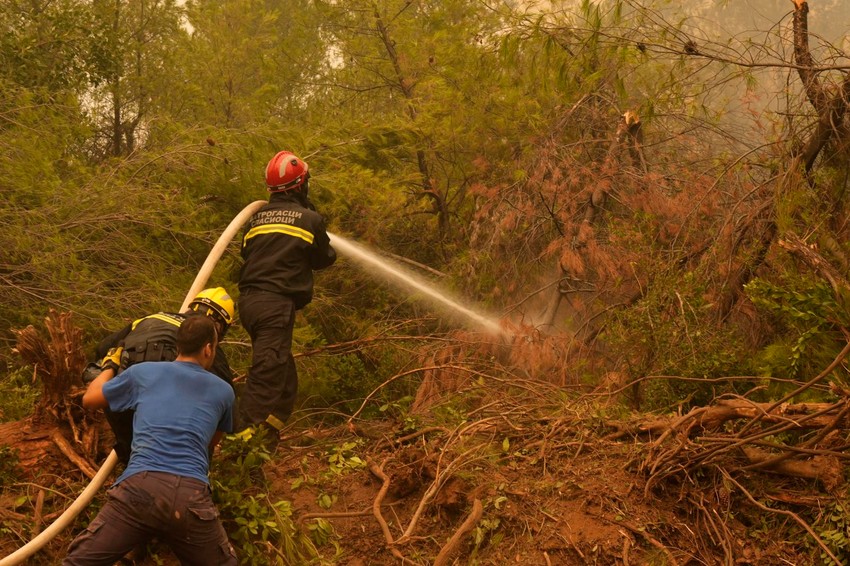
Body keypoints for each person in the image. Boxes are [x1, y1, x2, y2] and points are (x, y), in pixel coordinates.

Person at [64, 315, 237, 565]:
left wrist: (110, 365)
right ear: (209, 348)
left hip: (139, 489)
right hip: (191, 497)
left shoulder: (142, 373)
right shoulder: (224, 391)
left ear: (179, 345)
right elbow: (211, 442)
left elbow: (90, 399)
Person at [237, 150, 336, 441]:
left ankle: (263, 448)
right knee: (265, 380)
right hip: (274, 306)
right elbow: (324, 258)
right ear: (301, 185)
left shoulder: (255, 220)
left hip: (251, 305)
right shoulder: (310, 219)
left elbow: (247, 253)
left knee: (284, 385)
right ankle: (236, 453)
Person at [84, 287, 236, 464]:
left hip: (120, 391)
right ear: (220, 327)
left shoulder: (150, 318)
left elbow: (103, 348)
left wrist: (110, 367)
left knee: (135, 456)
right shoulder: (207, 345)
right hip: (166, 417)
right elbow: (226, 409)